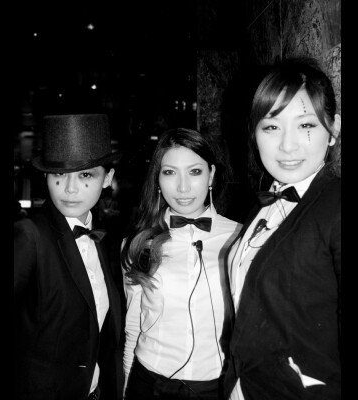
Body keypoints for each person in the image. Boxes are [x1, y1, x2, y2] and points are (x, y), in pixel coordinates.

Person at [223, 57, 341, 400]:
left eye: (306, 125)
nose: (288, 145)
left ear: (333, 130)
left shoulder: (335, 207)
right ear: (254, 133)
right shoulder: (264, 203)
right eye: (272, 127)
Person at [120, 127, 242, 400]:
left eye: (195, 172)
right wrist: (127, 386)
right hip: (147, 383)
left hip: (215, 387)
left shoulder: (241, 238)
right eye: (169, 172)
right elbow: (133, 324)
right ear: (158, 179)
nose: (183, 187)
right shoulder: (138, 243)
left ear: (211, 175)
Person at [14, 114, 125, 400]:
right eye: (59, 174)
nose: (70, 189)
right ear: (46, 177)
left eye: (85, 175)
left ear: (107, 178)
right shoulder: (29, 235)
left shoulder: (103, 239)